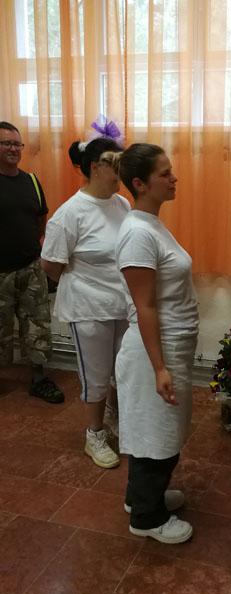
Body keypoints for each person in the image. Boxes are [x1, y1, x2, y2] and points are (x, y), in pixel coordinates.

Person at [115, 143, 199, 544]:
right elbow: (144, 306)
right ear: (140, 183)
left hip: (169, 346)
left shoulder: (150, 224)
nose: (173, 177)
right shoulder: (137, 234)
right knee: (156, 432)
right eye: (164, 173)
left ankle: (141, 498)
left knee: (158, 428)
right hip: (154, 351)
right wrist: (160, 367)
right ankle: (147, 519)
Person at [41, 136, 129, 469]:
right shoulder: (70, 213)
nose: (121, 171)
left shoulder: (122, 205)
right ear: (95, 167)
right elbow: (51, 264)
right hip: (88, 307)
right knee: (96, 375)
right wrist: (86, 282)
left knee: (122, 369)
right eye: (115, 164)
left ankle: (115, 418)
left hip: (122, 303)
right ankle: (95, 434)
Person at [0, 121, 64, 403]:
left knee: (38, 325)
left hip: (30, 267)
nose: (13, 149)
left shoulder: (32, 182)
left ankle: (39, 379)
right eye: (6, 143)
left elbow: (41, 218)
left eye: (17, 144)